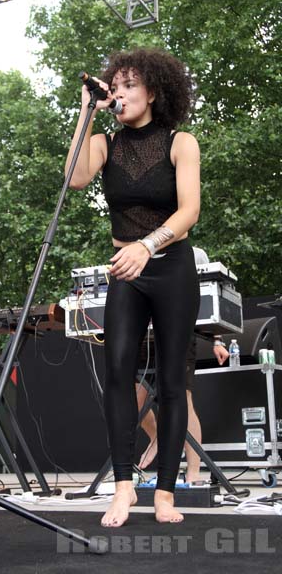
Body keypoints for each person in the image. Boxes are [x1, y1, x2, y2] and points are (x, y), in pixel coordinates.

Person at [65, 48, 200, 526]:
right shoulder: (105, 142)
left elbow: (189, 212)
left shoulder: (180, 142)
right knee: (119, 372)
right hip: (127, 271)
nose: (118, 92)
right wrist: (86, 109)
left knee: (170, 382)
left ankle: (165, 492)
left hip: (171, 265)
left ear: (154, 92)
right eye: (113, 85)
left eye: (129, 85)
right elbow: (75, 179)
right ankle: (124, 488)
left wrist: (147, 244)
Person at [136, 248, 230, 482]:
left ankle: (194, 473)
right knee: (133, 399)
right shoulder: (138, 249)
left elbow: (208, 296)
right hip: (145, 335)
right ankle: (158, 436)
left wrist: (217, 340)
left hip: (180, 332)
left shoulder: (195, 254)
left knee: (183, 399)